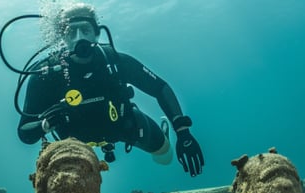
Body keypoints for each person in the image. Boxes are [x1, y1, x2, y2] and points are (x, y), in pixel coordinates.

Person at [15, 2, 205, 176]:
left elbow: (160, 87)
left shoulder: (115, 61)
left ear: (96, 32)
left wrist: (183, 132)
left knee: (165, 156)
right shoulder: (46, 74)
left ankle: (164, 137)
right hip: (73, 144)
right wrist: (44, 125)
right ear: (62, 37)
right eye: (71, 32)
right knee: (69, 190)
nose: (79, 38)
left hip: (126, 128)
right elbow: (25, 132)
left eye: (85, 30)